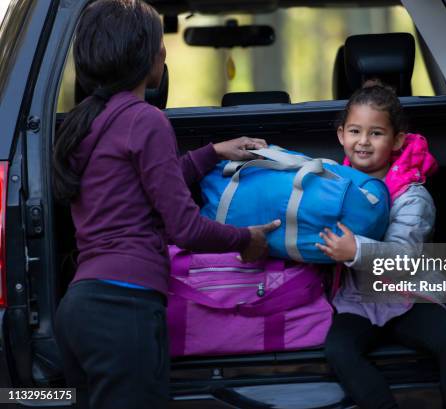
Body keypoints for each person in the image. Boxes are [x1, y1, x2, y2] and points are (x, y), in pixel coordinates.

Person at [52, 1, 279, 408]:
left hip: (80, 311)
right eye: (160, 41)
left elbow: (141, 186)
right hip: (125, 312)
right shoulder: (147, 119)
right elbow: (185, 228)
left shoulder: (87, 122)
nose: (165, 50)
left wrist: (212, 152)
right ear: (144, 55)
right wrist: (246, 239)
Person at [317, 82, 446, 409]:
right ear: (340, 135)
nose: (363, 141)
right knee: (338, 350)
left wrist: (356, 251)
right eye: (354, 131)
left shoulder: (412, 196)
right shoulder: (333, 186)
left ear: (397, 140)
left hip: (409, 297)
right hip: (358, 301)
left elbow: (403, 258)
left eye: (376, 133)